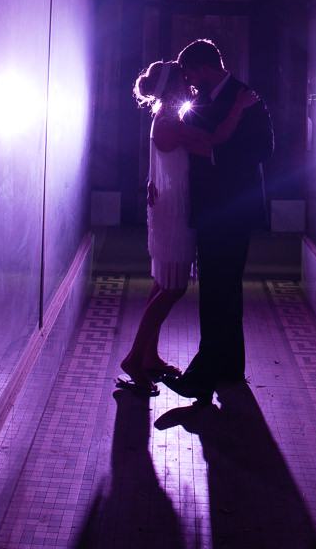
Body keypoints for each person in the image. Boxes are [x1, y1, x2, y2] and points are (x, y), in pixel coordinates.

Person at [119, 59, 257, 396]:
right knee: (173, 288)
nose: (189, 80)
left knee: (162, 284)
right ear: (173, 86)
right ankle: (135, 358)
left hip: (169, 206)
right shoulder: (171, 123)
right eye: (183, 77)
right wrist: (238, 107)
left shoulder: (165, 118)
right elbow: (216, 139)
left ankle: (148, 356)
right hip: (174, 212)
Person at [163, 39, 273, 404]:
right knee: (224, 290)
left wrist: (213, 153)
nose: (190, 82)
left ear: (205, 68)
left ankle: (200, 379)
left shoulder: (247, 97)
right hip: (212, 210)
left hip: (233, 211)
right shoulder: (207, 101)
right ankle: (229, 366)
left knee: (216, 292)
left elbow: (264, 149)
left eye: (191, 74)